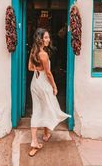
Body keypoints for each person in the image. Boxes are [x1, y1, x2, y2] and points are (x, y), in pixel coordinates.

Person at [28, 28, 70, 157]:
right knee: (47, 107)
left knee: (38, 109)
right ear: (40, 39)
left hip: (35, 82)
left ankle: (43, 135)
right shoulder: (44, 54)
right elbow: (48, 73)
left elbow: (30, 68)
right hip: (43, 83)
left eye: (48, 37)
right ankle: (35, 140)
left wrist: (37, 68)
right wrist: (55, 86)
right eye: (45, 37)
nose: (48, 39)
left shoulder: (33, 51)